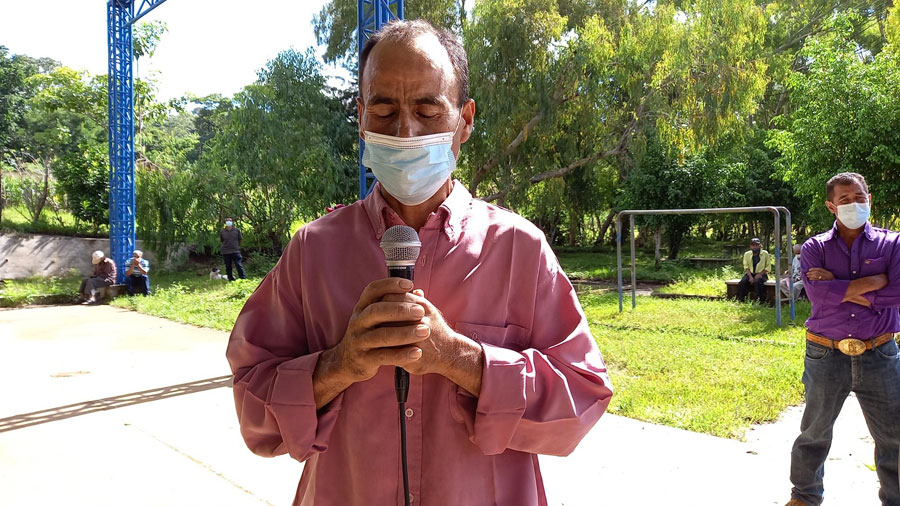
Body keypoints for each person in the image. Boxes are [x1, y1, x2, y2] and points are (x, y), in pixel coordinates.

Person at [226, 20, 612, 506]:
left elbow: (582, 400)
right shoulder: (313, 251)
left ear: (464, 120)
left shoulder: (519, 249)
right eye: (384, 110)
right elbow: (254, 411)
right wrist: (338, 365)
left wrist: (462, 360)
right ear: (361, 118)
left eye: (428, 111)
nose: (405, 132)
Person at [785, 172, 900, 506]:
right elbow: (817, 296)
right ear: (831, 206)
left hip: (880, 352)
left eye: (859, 198)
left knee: (894, 436)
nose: (854, 204)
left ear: (869, 199)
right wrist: (874, 282)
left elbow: (897, 293)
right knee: (814, 433)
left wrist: (837, 285)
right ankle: (804, 497)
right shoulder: (815, 247)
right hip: (825, 353)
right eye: (845, 200)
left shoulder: (893, 244)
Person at [737, 237, 771, 302]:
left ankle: (760, 301)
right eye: (753, 245)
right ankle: (741, 300)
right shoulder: (747, 254)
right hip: (750, 273)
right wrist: (750, 277)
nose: (754, 247)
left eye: (756, 245)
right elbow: (746, 267)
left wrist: (760, 274)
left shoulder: (765, 254)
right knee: (743, 282)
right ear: (750, 246)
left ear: (760, 245)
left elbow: (768, 267)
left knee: (757, 282)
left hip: (762, 274)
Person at [219, 216, 245, 281]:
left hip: (235, 251)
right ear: (225, 222)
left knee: (238, 265)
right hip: (226, 251)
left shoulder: (237, 230)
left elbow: (240, 239)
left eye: (230, 220)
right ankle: (230, 279)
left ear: (232, 222)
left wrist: (237, 246)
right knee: (228, 266)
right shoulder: (222, 231)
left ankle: (243, 278)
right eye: (227, 220)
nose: (229, 222)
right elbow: (222, 240)